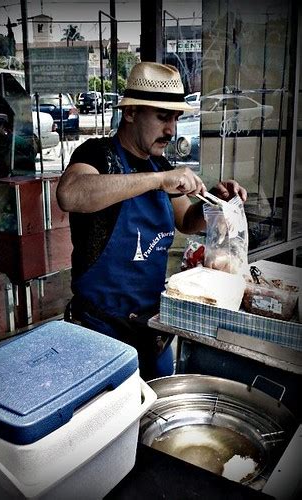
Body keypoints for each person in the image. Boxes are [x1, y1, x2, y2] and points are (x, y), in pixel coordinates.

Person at [56, 62, 247, 380]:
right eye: (162, 116)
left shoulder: (160, 165)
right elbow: (70, 194)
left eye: (175, 118)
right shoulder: (97, 155)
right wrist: (158, 180)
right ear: (130, 112)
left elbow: (186, 220)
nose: (171, 130)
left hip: (152, 330)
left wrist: (217, 203)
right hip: (99, 335)